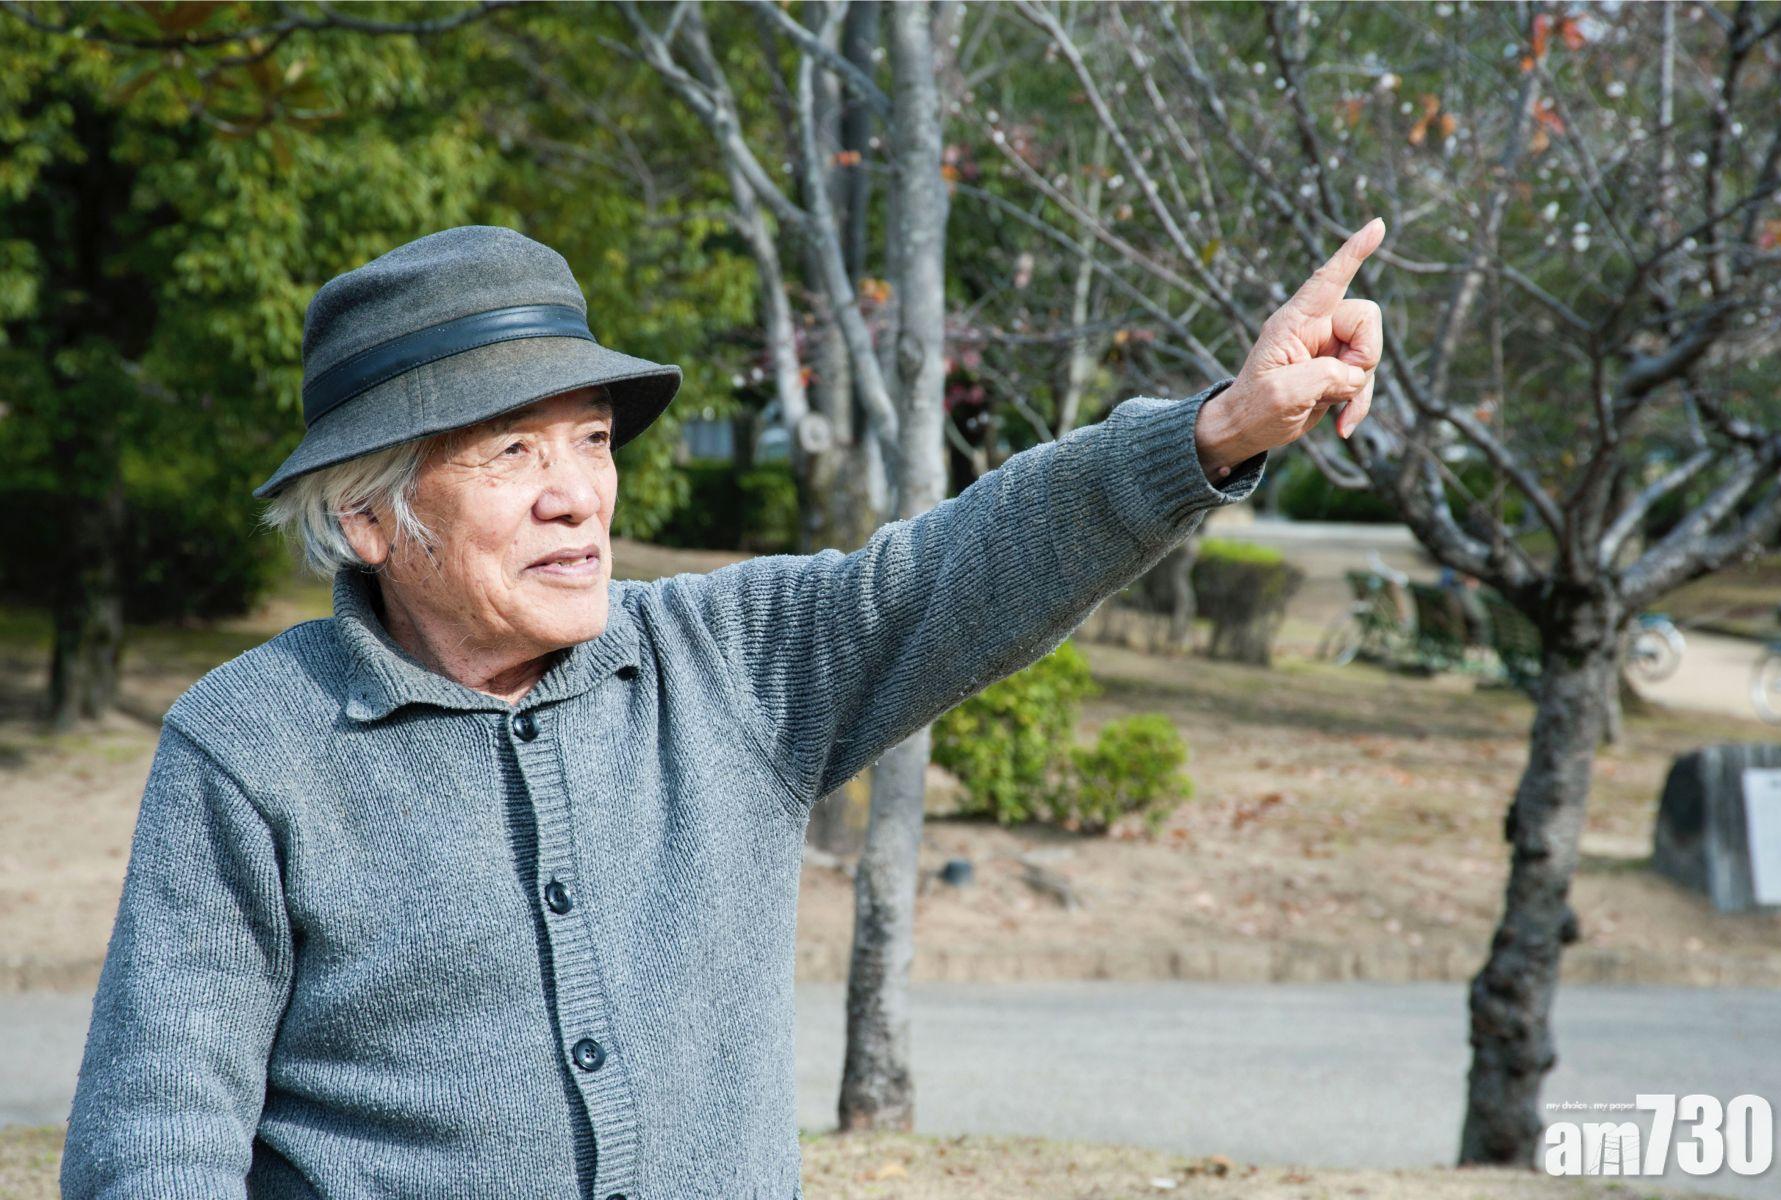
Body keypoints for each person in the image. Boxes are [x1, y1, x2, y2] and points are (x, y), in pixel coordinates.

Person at [60, 219, 1383, 1198]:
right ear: (367, 516)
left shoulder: (730, 662)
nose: (577, 494)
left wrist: (1217, 431)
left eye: (591, 439)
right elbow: (158, 1143)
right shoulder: (253, 747)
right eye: (512, 451)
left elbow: (968, 566)